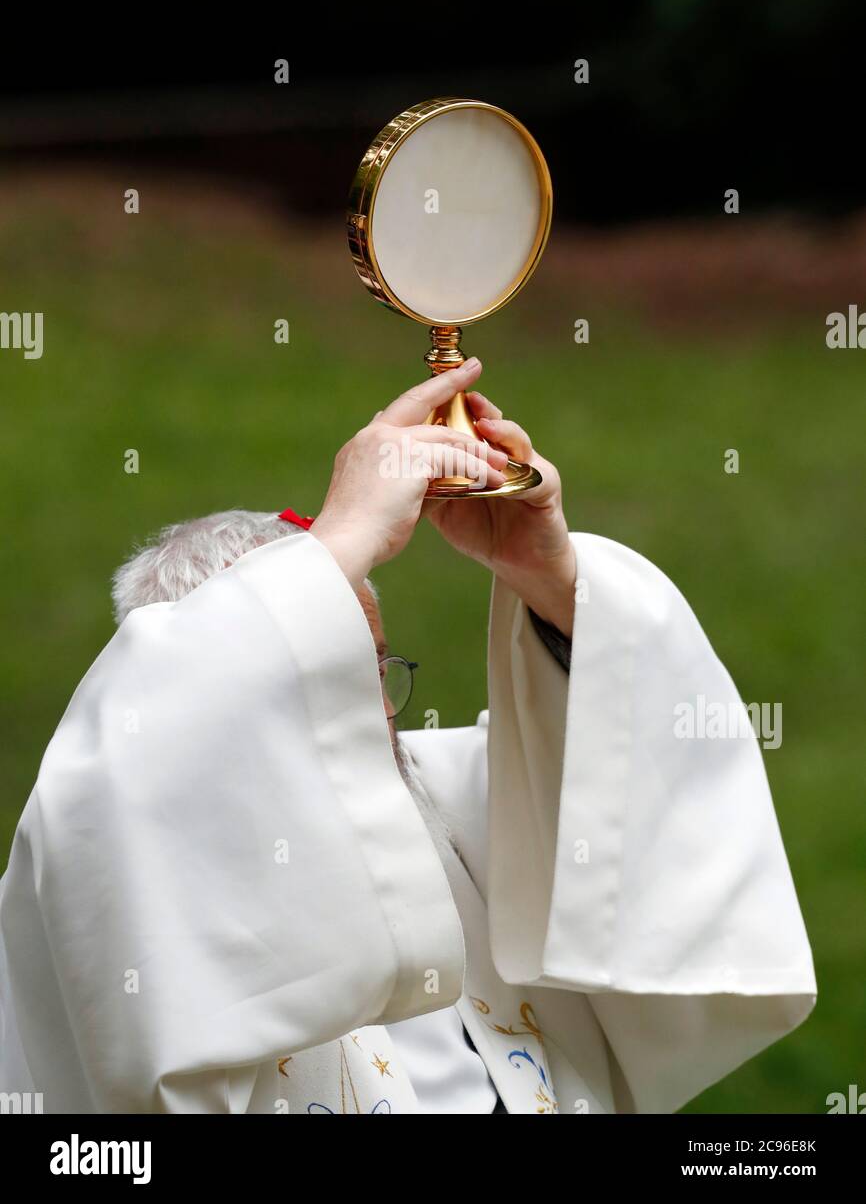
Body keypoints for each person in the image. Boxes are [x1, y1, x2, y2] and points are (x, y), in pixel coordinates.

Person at [0, 359, 816, 1114]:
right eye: (326, 678)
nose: (378, 716)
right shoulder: (105, 860)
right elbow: (136, 765)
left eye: (379, 671)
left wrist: (552, 582)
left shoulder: (450, 806)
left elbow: (623, 763)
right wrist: (343, 537)